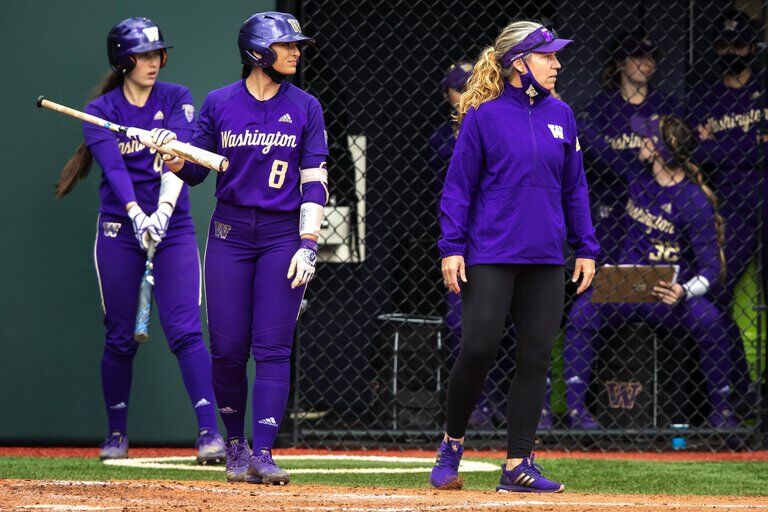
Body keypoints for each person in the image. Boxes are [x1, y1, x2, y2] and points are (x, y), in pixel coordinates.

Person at [153, 12, 328, 485]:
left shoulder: (307, 107)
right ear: (257, 52)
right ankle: (235, 446)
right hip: (229, 235)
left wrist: (308, 243)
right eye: (287, 45)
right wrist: (175, 156)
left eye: (297, 46)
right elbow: (194, 170)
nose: (296, 52)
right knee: (228, 349)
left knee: (273, 347)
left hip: (282, 236)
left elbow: (315, 182)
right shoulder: (219, 103)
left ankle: (264, 452)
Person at [431, 21, 598, 493]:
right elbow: (458, 186)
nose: (558, 64)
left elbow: (576, 187)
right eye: (549, 56)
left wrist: (586, 247)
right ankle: (452, 444)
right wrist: (452, 246)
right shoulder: (482, 116)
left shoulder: (562, 114)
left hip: (546, 257)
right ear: (519, 63)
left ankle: (518, 465)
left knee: (535, 357)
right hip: (490, 253)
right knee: (478, 348)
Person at [54, 17, 224, 462]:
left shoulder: (177, 98)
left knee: (187, 330)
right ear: (122, 60)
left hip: (173, 228)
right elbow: (113, 169)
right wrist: (136, 215)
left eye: (157, 54)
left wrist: (163, 212)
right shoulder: (101, 111)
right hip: (119, 229)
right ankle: (116, 434)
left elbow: (181, 160)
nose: (153, 62)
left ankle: (209, 432)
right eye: (143, 55)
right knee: (120, 337)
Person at [562, 114, 737, 431]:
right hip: (627, 285)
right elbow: (601, 149)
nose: (639, 141)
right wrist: (562, 107)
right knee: (582, 313)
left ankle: (722, 411)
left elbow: (712, 268)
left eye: (646, 138)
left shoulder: (693, 199)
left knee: (710, 320)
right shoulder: (636, 176)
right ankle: (577, 413)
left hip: (666, 294)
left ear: (659, 150)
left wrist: (684, 290)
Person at [430, 60, 513, 430]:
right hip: (465, 239)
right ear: (448, 95)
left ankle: (501, 400)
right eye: (458, 89)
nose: (466, 94)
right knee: (463, 325)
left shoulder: (503, 123)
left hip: (503, 238)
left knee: (510, 327)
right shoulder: (443, 138)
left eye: (472, 86)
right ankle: (474, 404)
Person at [687, 10, 759, 416]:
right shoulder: (705, 97)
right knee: (719, 291)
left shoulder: (764, 89)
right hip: (731, 204)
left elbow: (716, 148)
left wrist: (723, 144)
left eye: (740, 44)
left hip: (760, 197)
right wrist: (750, 144)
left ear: (753, 47)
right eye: (725, 45)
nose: (732, 51)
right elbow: (697, 151)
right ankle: (741, 395)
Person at [580, 31, 681, 267]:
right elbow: (597, 160)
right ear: (620, 63)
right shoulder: (600, 108)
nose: (647, 63)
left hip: (654, 205)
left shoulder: (666, 105)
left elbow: (676, 154)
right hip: (610, 204)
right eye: (637, 56)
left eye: (652, 57)